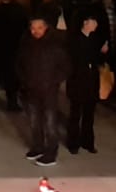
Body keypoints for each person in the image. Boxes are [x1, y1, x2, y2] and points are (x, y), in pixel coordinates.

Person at [17, 16, 70, 167]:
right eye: (32, 28)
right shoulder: (26, 43)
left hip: (49, 90)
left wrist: (53, 82)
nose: (35, 31)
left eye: (39, 28)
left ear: (45, 27)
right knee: (34, 120)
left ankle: (51, 151)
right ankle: (37, 146)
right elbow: (19, 64)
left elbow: (65, 67)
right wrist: (24, 80)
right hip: (31, 89)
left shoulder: (55, 45)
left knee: (50, 121)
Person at [65, 14, 105, 156]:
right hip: (78, 81)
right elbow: (74, 59)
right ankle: (73, 143)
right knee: (75, 114)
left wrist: (102, 53)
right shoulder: (74, 40)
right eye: (94, 22)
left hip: (91, 81)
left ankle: (88, 142)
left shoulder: (94, 40)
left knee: (89, 114)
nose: (96, 25)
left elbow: (97, 59)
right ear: (85, 23)